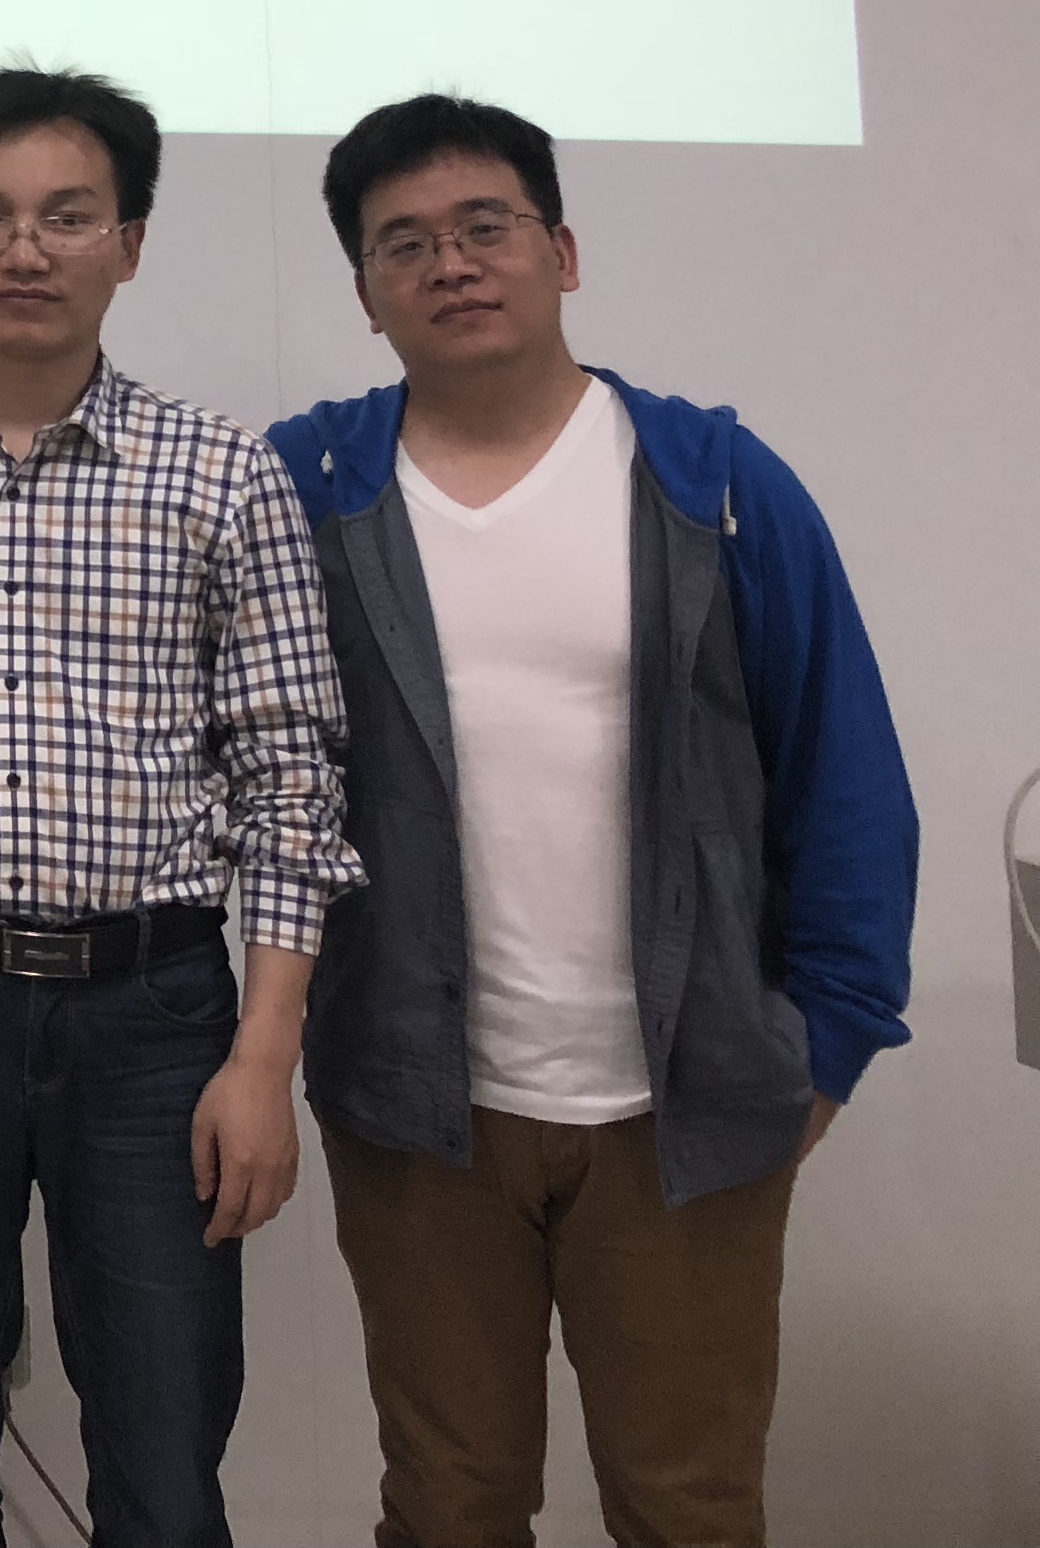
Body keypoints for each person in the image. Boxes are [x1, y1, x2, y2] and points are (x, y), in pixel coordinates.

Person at [268, 93, 915, 1548]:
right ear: (366, 295)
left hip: (685, 1105)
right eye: (403, 244)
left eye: (484, 227)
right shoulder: (309, 490)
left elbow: (845, 772)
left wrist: (830, 1041)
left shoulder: (713, 484)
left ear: (562, 252)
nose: (450, 264)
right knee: (450, 1504)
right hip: (421, 1108)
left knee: (688, 1506)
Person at [0, 65, 359, 1548]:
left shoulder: (222, 476)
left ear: (131, 242)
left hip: (155, 1018)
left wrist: (264, 1056)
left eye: (67, 216)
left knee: (165, 1475)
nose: (25, 250)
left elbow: (291, 777)